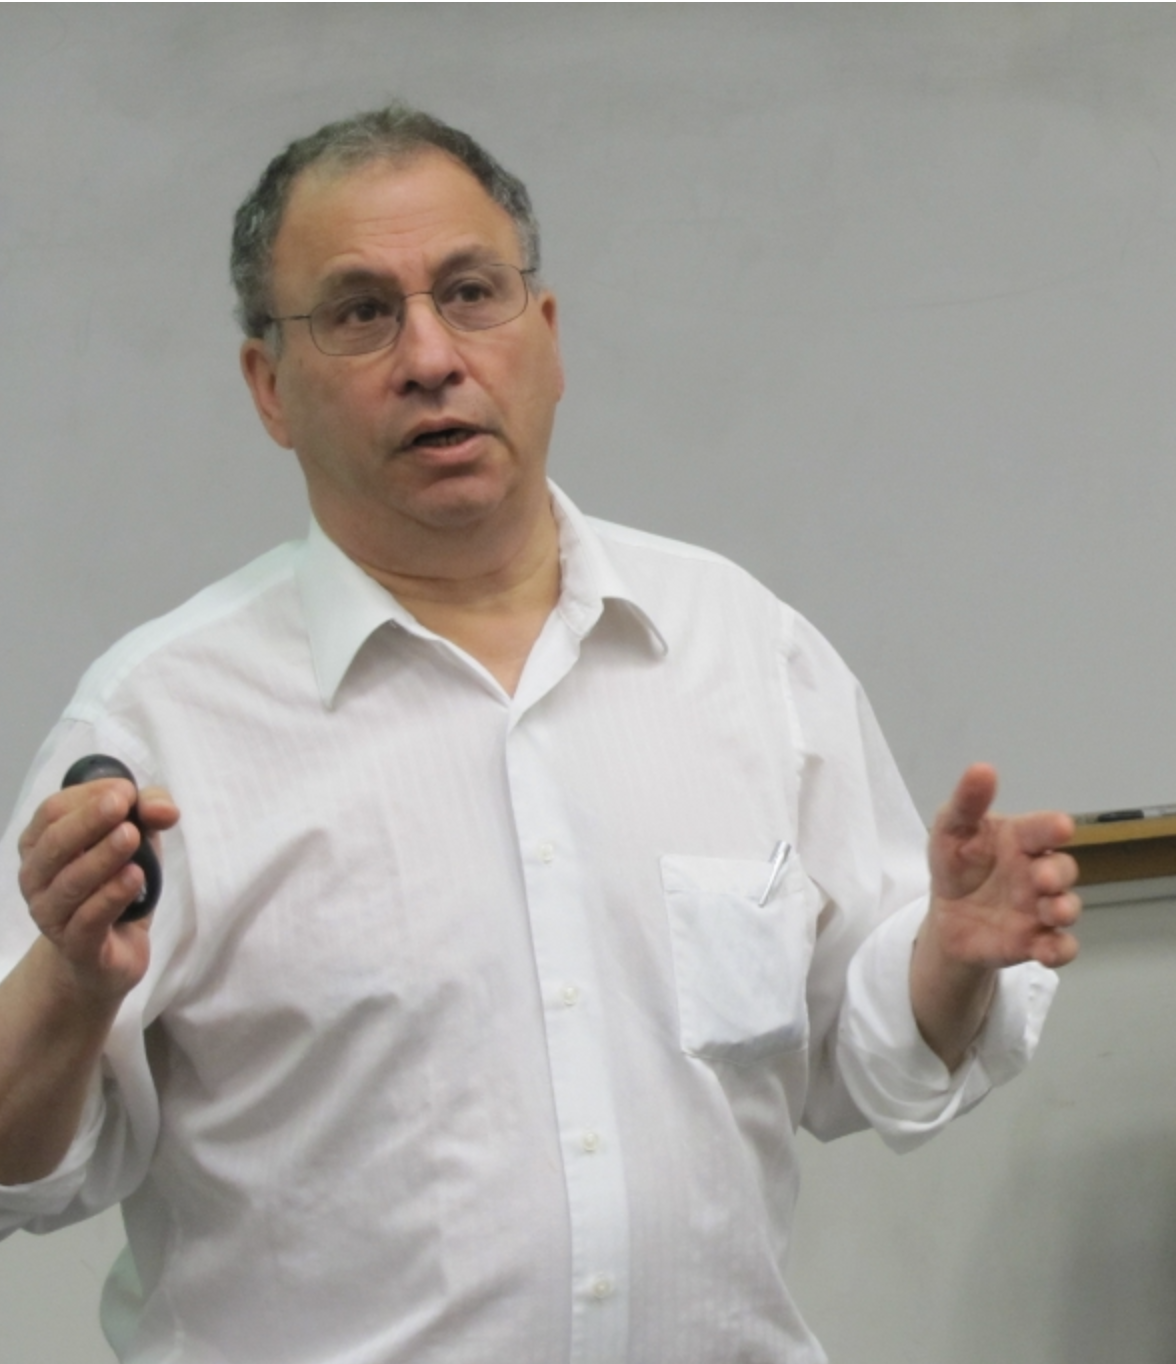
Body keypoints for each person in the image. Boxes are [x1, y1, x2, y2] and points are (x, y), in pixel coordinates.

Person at [0, 104, 1080, 1364]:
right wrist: (72, 988)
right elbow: (21, 1169)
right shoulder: (161, 718)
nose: (430, 356)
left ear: (547, 336)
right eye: (360, 312)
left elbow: (864, 1055)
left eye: (471, 293)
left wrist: (947, 960)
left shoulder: (738, 644)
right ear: (269, 387)